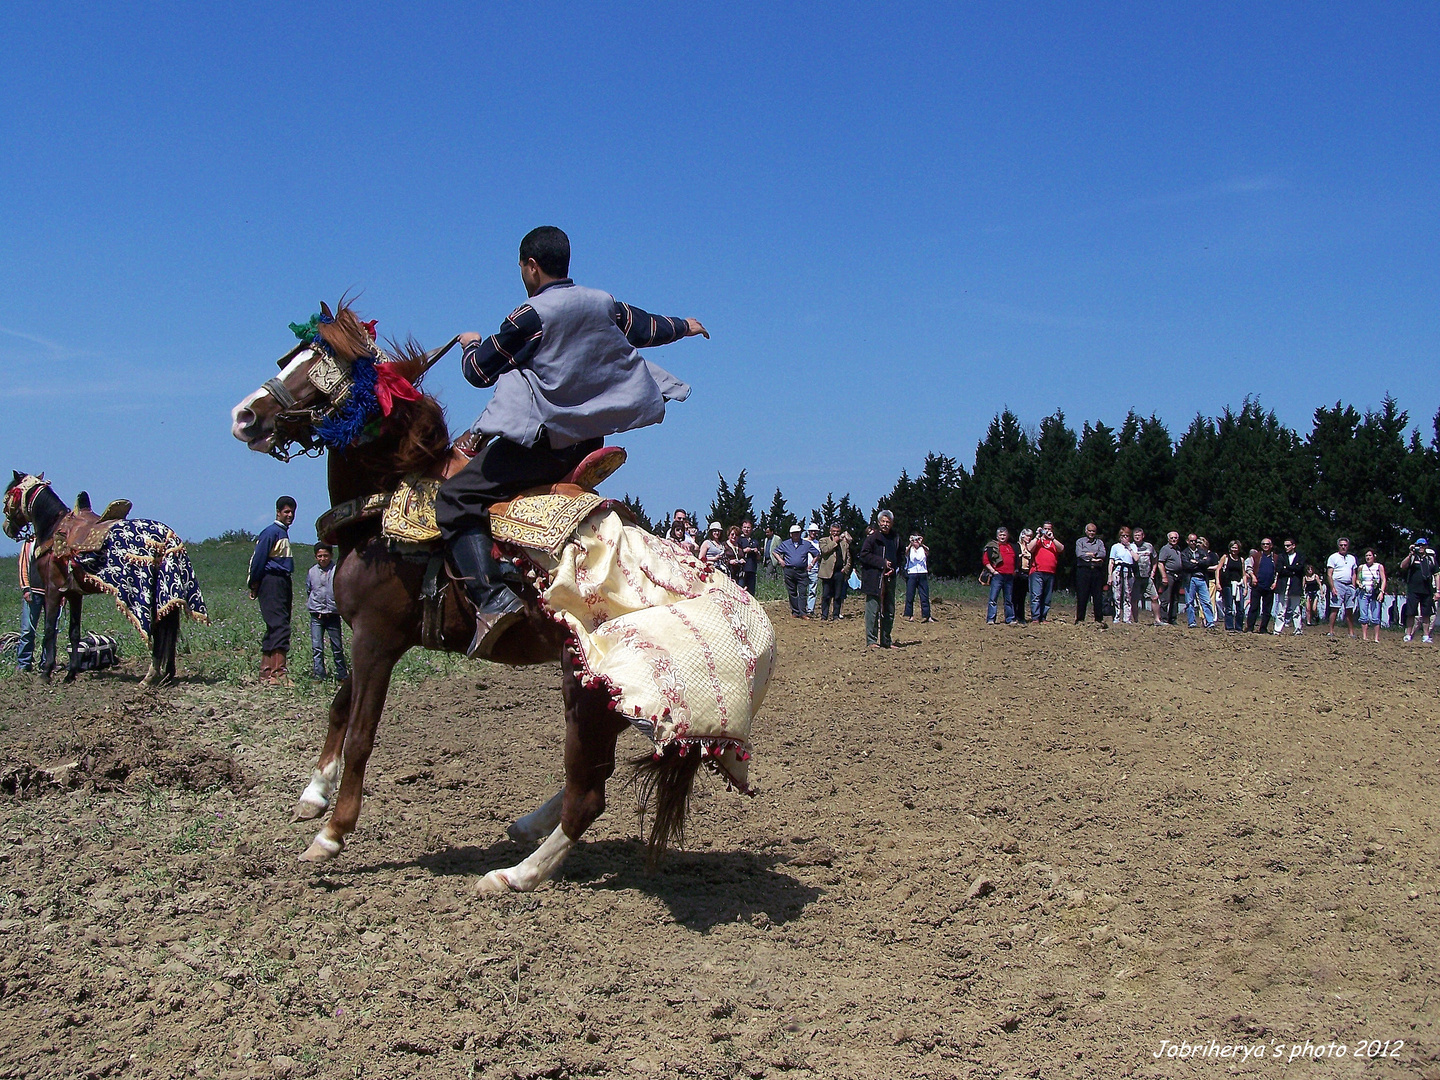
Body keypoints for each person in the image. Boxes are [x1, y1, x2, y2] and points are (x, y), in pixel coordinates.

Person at [435, 226, 708, 658]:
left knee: (454, 496)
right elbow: (644, 326)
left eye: (522, 268)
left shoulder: (528, 316)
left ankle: (490, 600)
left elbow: (479, 373)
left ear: (531, 265)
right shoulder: (601, 303)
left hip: (541, 449)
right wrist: (686, 327)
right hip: (587, 444)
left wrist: (471, 346)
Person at [249, 496, 296, 685]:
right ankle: (278, 673)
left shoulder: (282, 533)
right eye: (286, 512)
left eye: (292, 512)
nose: (290, 515)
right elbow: (258, 560)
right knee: (280, 625)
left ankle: (266, 671)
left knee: (276, 624)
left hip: (282, 581)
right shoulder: (271, 532)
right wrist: (255, 583)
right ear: (278, 512)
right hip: (272, 581)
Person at [306, 544, 348, 681]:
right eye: (320, 556)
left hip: (332, 614)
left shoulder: (337, 570)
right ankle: (319, 675)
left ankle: (342, 675)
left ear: (331, 556)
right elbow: (309, 590)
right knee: (317, 647)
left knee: (337, 647)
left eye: (325, 556)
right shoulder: (312, 572)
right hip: (316, 615)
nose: (323, 559)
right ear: (315, 557)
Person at [858, 510, 900, 647]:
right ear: (878, 522)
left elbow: (901, 557)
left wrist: (894, 568)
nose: (885, 524)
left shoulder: (896, 538)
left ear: (892, 523)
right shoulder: (872, 538)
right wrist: (882, 563)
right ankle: (871, 640)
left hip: (890, 578)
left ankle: (886, 641)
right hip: (874, 579)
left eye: (888, 522)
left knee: (889, 610)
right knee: (873, 610)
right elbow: (864, 555)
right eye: (883, 521)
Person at [1399, 538, 1436, 643]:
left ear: (1426, 547)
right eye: (1419, 545)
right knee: (1411, 613)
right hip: (1413, 590)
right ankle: (1408, 634)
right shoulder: (1413, 557)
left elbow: (1436, 573)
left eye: (1423, 545)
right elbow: (1402, 566)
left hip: (1427, 590)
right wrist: (1410, 554)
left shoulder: (1430, 559)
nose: (1421, 547)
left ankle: (1425, 635)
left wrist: (1437, 590)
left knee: (1426, 614)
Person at [15, 537, 43, 673]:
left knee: (51, 631)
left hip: (51, 592)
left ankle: (46, 662)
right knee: (27, 630)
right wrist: (25, 588)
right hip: (33, 591)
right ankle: (24, 663)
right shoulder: (30, 542)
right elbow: (23, 564)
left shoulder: (55, 540)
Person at [774, 523, 812, 618]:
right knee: (792, 592)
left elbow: (817, 554)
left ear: (800, 533)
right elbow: (775, 552)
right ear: (790, 534)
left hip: (802, 571)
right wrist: (780, 560)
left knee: (803, 592)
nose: (796, 535)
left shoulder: (806, 544)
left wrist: (811, 564)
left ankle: (803, 612)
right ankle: (795, 612)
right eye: (794, 533)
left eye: (797, 533)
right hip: (789, 570)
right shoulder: (785, 544)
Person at [817, 523, 852, 621]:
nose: (835, 533)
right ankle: (824, 615)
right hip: (827, 572)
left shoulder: (844, 544)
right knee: (826, 595)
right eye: (834, 531)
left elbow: (848, 558)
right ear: (830, 531)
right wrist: (834, 542)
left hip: (839, 573)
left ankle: (836, 615)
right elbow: (824, 550)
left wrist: (845, 569)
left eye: (837, 532)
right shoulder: (824, 540)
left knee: (838, 595)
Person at [1027, 522, 1061, 622]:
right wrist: (1038, 535)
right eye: (1045, 528)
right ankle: (1035, 617)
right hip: (1037, 571)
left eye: (1049, 529)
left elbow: (1061, 548)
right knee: (1036, 595)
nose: (1047, 531)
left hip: (1050, 572)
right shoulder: (1038, 541)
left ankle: (1043, 617)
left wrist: (1052, 538)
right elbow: (1029, 548)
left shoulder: (1053, 542)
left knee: (1047, 597)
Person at [1181, 535, 1218, 628]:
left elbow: (1207, 563)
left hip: (1202, 579)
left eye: (1195, 541)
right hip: (1190, 579)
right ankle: (1192, 622)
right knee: (1190, 602)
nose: (1193, 543)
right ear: (1187, 541)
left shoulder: (1202, 551)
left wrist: (1196, 562)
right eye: (1191, 541)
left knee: (1206, 601)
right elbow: (1187, 565)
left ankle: (1210, 622)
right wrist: (1200, 562)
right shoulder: (1184, 553)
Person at [1074, 523, 1107, 625]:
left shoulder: (1099, 542)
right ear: (1086, 531)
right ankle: (1080, 619)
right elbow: (1079, 554)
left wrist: (1089, 555)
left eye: (1093, 531)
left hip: (1096, 571)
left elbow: (1103, 554)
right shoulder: (1080, 541)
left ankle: (1098, 619)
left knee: (1097, 596)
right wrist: (1092, 557)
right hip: (1083, 570)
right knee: (1082, 595)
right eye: (1089, 531)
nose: (1091, 533)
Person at [983, 526, 1017, 624]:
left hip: (1009, 576)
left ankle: (1010, 619)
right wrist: (993, 571)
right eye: (1000, 535)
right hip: (998, 576)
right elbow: (985, 561)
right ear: (997, 536)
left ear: (1007, 536)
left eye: (1004, 535)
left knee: (1009, 599)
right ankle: (991, 619)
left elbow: (1016, 560)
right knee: (993, 598)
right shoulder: (992, 546)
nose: (1002, 537)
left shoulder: (1011, 546)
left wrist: (1014, 570)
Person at [1326, 537, 1358, 639]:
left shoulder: (1352, 558)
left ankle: (1351, 632)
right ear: (1338, 546)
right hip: (1338, 583)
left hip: (1349, 585)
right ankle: (1331, 631)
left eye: (1345, 545)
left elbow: (1353, 573)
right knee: (1335, 608)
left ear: (1348, 546)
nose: (1343, 547)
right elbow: (1329, 574)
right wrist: (1333, 587)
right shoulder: (1333, 557)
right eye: (1341, 545)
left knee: (1349, 609)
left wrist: (1353, 586)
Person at [1273, 539, 1306, 635]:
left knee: (1296, 609)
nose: (1286, 547)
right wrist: (1292, 569)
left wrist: (1287, 567)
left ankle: (1298, 629)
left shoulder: (1300, 556)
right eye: (1285, 545)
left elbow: (1300, 568)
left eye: (1288, 545)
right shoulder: (1281, 556)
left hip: (1295, 584)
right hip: (1283, 584)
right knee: (1281, 608)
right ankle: (1277, 629)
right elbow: (1279, 569)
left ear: (1293, 546)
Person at [1246, 538, 1277, 633]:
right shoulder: (1256, 556)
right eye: (1263, 544)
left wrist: (1275, 582)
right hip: (1257, 585)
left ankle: (1263, 628)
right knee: (1254, 607)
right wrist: (1253, 577)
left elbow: (1277, 572)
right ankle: (1250, 627)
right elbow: (1248, 567)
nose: (1265, 546)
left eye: (1267, 544)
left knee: (1267, 609)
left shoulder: (1275, 558)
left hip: (1269, 586)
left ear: (1271, 545)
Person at [1356, 548, 1387, 642]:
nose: (1368, 557)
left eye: (1370, 555)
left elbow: (1384, 579)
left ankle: (1376, 637)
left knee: (1375, 615)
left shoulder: (1379, 566)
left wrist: (1382, 592)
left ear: (1374, 556)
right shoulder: (1361, 567)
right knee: (1363, 615)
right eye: (1366, 556)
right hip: (1363, 592)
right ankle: (1365, 636)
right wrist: (1359, 584)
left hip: (1375, 592)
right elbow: (1357, 579)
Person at [1215, 540, 1246, 632]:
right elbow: (1218, 570)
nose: (1234, 550)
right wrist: (1218, 582)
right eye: (1233, 547)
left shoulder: (1241, 560)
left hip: (1238, 584)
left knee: (1240, 608)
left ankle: (1239, 627)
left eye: (1236, 548)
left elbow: (1243, 574)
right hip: (1228, 584)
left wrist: (1245, 588)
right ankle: (1229, 627)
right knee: (1228, 607)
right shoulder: (1225, 557)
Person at [1108, 526, 1137, 624]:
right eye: (1123, 536)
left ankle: (1127, 618)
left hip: (1129, 571)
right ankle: (1116, 616)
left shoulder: (1133, 546)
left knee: (1128, 595)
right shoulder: (1115, 547)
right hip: (1118, 570)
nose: (1125, 537)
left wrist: (1129, 548)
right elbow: (1111, 562)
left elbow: (1136, 558)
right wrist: (1110, 575)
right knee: (1117, 594)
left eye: (1127, 536)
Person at [1131, 528, 1159, 625]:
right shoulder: (1131, 547)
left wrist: (1153, 572)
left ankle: (1157, 619)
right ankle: (1135, 620)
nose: (1137, 537)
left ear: (1143, 536)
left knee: (1154, 597)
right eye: (1135, 535)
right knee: (1134, 599)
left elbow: (1155, 559)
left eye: (1139, 535)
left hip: (1147, 576)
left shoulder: (1149, 546)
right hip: (1135, 577)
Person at [1156, 531, 1184, 625]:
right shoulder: (1165, 549)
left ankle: (1172, 618)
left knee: (1175, 598)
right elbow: (1160, 563)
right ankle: (1163, 618)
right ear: (1168, 539)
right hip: (1169, 574)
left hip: (1177, 575)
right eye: (1172, 538)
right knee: (1166, 598)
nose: (1174, 539)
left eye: (1175, 538)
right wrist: (1164, 577)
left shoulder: (1178, 549)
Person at [903, 533, 932, 622]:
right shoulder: (909, 549)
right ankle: (909, 615)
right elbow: (905, 553)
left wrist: (921, 543)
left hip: (922, 573)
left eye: (917, 540)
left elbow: (928, 552)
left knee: (924, 595)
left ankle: (927, 615)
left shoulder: (923, 549)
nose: (916, 542)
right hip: (911, 573)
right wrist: (910, 543)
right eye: (914, 540)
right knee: (910, 595)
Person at [1012, 528, 1032, 624]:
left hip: (1027, 572)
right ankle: (1014, 615)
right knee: (1014, 595)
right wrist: (1020, 556)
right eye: (1027, 536)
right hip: (1018, 573)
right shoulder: (1016, 546)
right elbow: (1012, 557)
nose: (1029, 538)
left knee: (1022, 596)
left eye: (1030, 536)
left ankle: (1021, 616)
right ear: (1022, 536)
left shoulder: (1030, 547)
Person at [737, 520, 762, 596]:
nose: (746, 529)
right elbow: (735, 552)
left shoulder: (755, 541)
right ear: (742, 528)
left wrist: (757, 552)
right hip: (741, 569)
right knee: (740, 591)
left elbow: (759, 558)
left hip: (752, 569)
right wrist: (744, 551)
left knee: (751, 592)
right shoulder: (738, 540)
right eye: (744, 527)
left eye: (748, 527)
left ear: (751, 529)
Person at [804, 523, 823, 615]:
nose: (813, 533)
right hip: (803, 568)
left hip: (814, 569)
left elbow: (819, 555)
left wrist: (812, 564)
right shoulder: (803, 541)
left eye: (815, 531)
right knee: (803, 589)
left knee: (812, 590)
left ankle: (810, 609)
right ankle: (803, 608)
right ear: (809, 531)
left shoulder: (818, 543)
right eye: (812, 531)